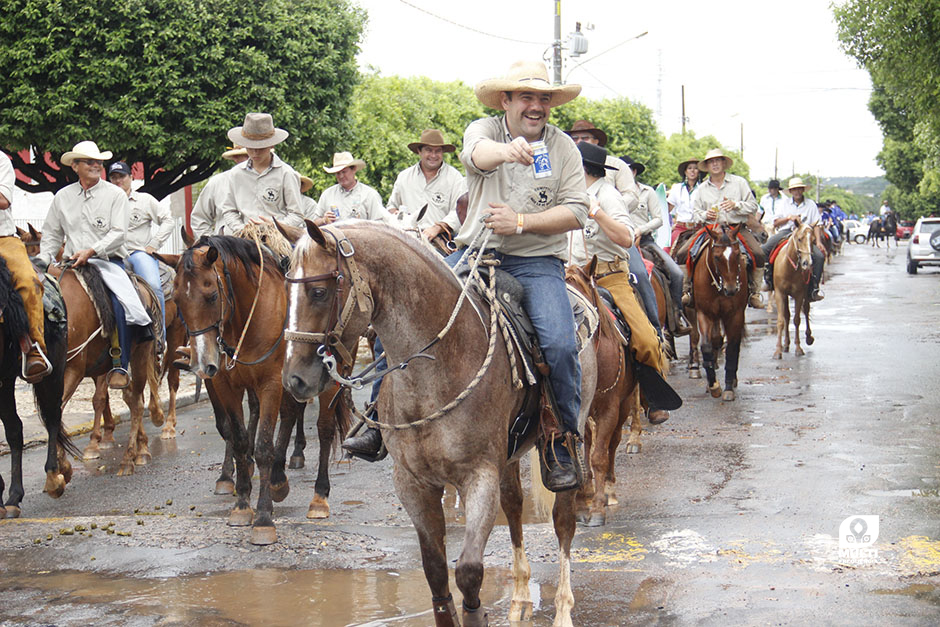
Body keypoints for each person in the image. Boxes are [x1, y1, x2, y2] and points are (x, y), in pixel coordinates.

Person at [344, 60, 589, 492]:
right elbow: (475, 154)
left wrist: (521, 222)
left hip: (536, 263)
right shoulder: (485, 131)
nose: (537, 106)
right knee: (397, 320)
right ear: (506, 100)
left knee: (560, 343)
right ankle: (378, 419)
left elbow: (577, 212)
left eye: (543, 99)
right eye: (526, 97)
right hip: (473, 253)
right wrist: (509, 151)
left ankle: (558, 439)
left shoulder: (564, 148)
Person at [39, 141, 153, 389]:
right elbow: (51, 234)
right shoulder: (62, 197)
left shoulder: (114, 195)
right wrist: (43, 261)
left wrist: (92, 251)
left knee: (120, 300)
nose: (96, 165)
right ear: (75, 166)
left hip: (107, 262)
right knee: (40, 297)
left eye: (98, 162)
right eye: (89, 161)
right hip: (70, 264)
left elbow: (118, 233)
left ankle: (120, 364)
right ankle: (36, 352)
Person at [576, 142, 673, 423]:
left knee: (644, 340)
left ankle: (652, 396)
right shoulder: (569, 193)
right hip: (571, 276)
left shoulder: (608, 195)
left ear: (582, 168)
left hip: (609, 276)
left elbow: (626, 238)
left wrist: (597, 213)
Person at [683, 148, 766, 309]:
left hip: (736, 229)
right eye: (711, 162)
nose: (714, 164)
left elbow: (753, 206)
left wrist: (736, 205)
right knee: (682, 253)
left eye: (717, 161)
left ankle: (754, 293)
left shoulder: (739, 183)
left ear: (723, 163)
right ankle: (687, 291)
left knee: (758, 253)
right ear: (707, 166)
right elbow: (696, 213)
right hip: (711, 230)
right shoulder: (702, 188)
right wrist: (706, 215)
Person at [621, 156, 691, 335]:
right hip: (619, 242)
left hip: (645, 240)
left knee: (676, 273)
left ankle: (676, 316)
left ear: (634, 172)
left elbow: (659, 219)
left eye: (627, 170)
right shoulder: (612, 192)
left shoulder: (648, 191)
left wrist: (640, 229)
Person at [108, 161, 172, 351]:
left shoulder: (145, 200)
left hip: (137, 253)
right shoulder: (105, 201)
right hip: (111, 254)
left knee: (153, 285)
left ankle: (159, 335)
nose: (118, 180)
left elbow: (168, 220)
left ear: (131, 178)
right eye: (114, 177)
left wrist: (153, 245)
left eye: (122, 176)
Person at [0, 151, 51, 382]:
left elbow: (3, 199)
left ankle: (34, 349)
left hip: (2, 238)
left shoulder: (1, 160)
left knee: (28, 281)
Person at [220, 113, 306, 233]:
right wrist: (242, 229)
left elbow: (296, 214)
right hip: (244, 239)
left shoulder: (287, 174)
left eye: (261, 147)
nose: (255, 152)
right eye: (250, 147)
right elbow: (229, 210)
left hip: (278, 238)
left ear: (271, 145)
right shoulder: (236, 174)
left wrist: (274, 226)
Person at [387, 129, 466, 241]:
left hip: (439, 239)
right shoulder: (404, 177)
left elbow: (459, 212)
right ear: (420, 151)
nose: (433, 155)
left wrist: (437, 228)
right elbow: (391, 206)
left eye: (438, 151)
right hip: (406, 237)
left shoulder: (455, 178)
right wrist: (398, 216)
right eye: (429, 150)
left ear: (442, 152)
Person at [760, 177, 825, 301]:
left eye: (799, 189)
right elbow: (776, 222)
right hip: (787, 232)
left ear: (803, 190)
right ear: (791, 191)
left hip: (805, 235)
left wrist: (818, 241)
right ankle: (768, 279)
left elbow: (817, 224)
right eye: (794, 189)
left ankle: (814, 288)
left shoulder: (811, 204)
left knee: (819, 257)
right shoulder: (784, 203)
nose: (797, 192)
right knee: (764, 249)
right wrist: (789, 218)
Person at [565, 120, 639, 211]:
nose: (579, 142)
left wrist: (606, 210)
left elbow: (631, 196)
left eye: (585, 138)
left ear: (596, 141)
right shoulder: (564, 164)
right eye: (574, 138)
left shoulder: (616, 164)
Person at [314, 152, 388, 225]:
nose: (341, 176)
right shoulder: (327, 194)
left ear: (354, 169)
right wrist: (324, 220)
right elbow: (314, 222)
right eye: (338, 173)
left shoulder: (370, 195)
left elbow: (380, 225)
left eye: (344, 172)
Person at [190, 146, 248, 238]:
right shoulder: (217, 182)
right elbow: (199, 219)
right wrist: (213, 245)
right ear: (235, 158)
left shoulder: (272, 180)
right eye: (246, 156)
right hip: (226, 248)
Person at [667, 159, 701, 248]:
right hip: (681, 227)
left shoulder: (703, 188)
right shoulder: (677, 188)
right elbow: (668, 208)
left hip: (698, 227)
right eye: (689, 168)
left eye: (695, 168)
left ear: (699, 172)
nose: (692, 171)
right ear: (685, 172)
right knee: (667, 249)